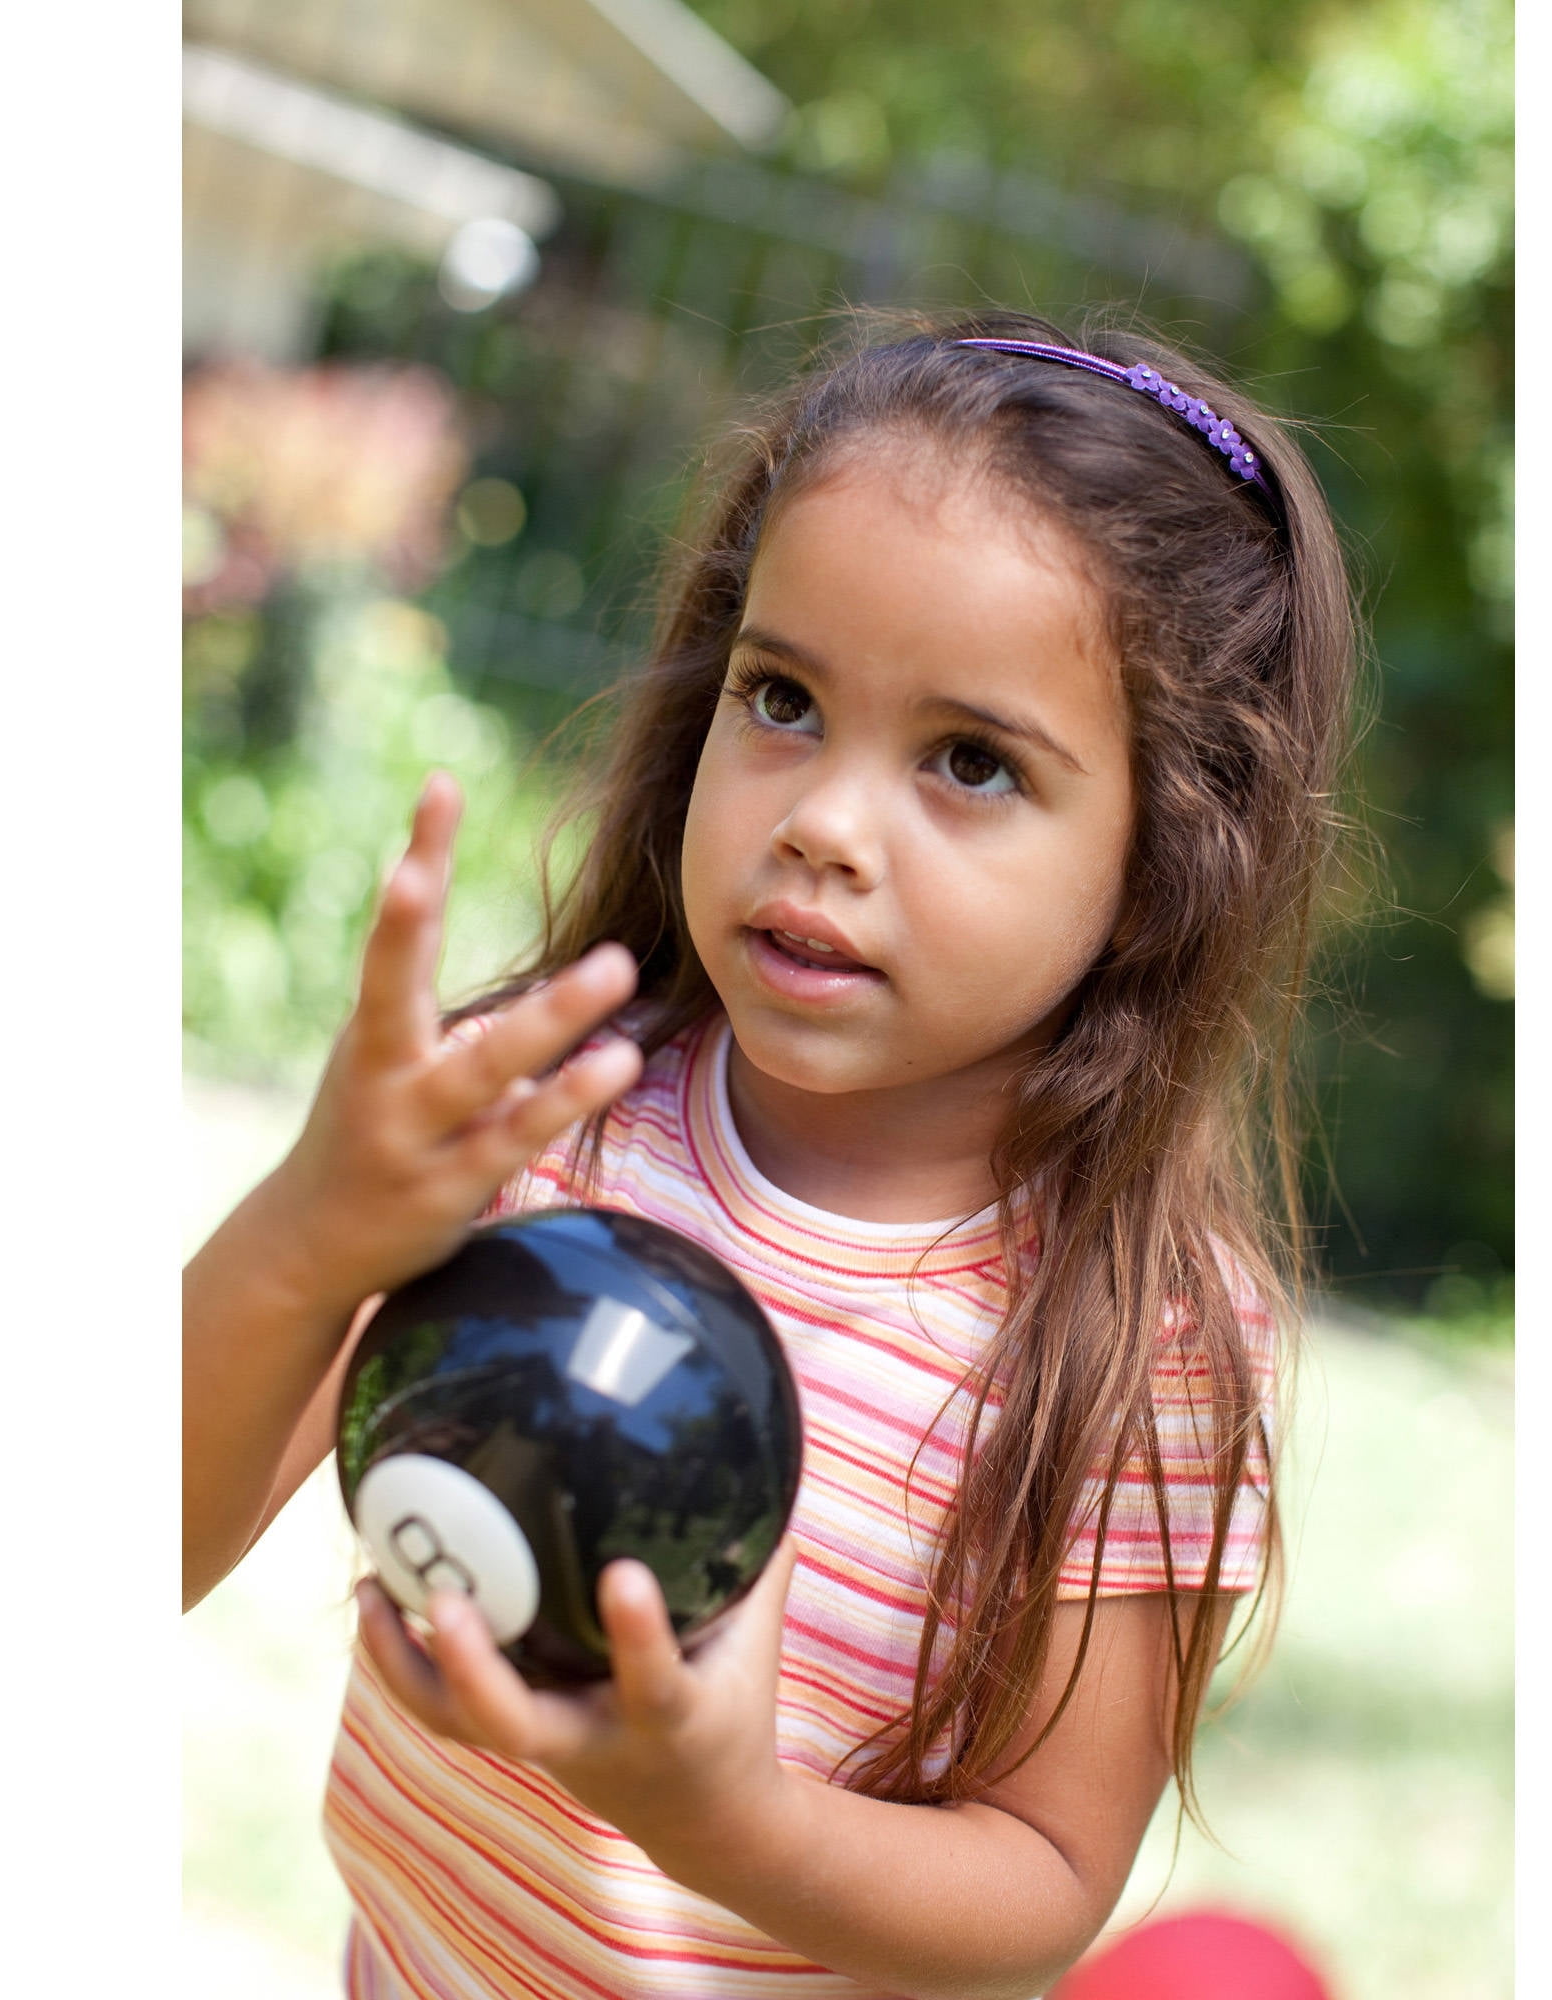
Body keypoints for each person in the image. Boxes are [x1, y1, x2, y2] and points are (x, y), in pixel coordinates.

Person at [183, 310, 1361, 2000]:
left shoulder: (1137, 1342)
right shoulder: (542, 1121)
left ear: (1166, 852)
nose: (822, 819)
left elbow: (1039, 1884)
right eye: (784, 698)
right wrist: (308, 1238)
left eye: (970, 761)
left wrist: (726, 1817)